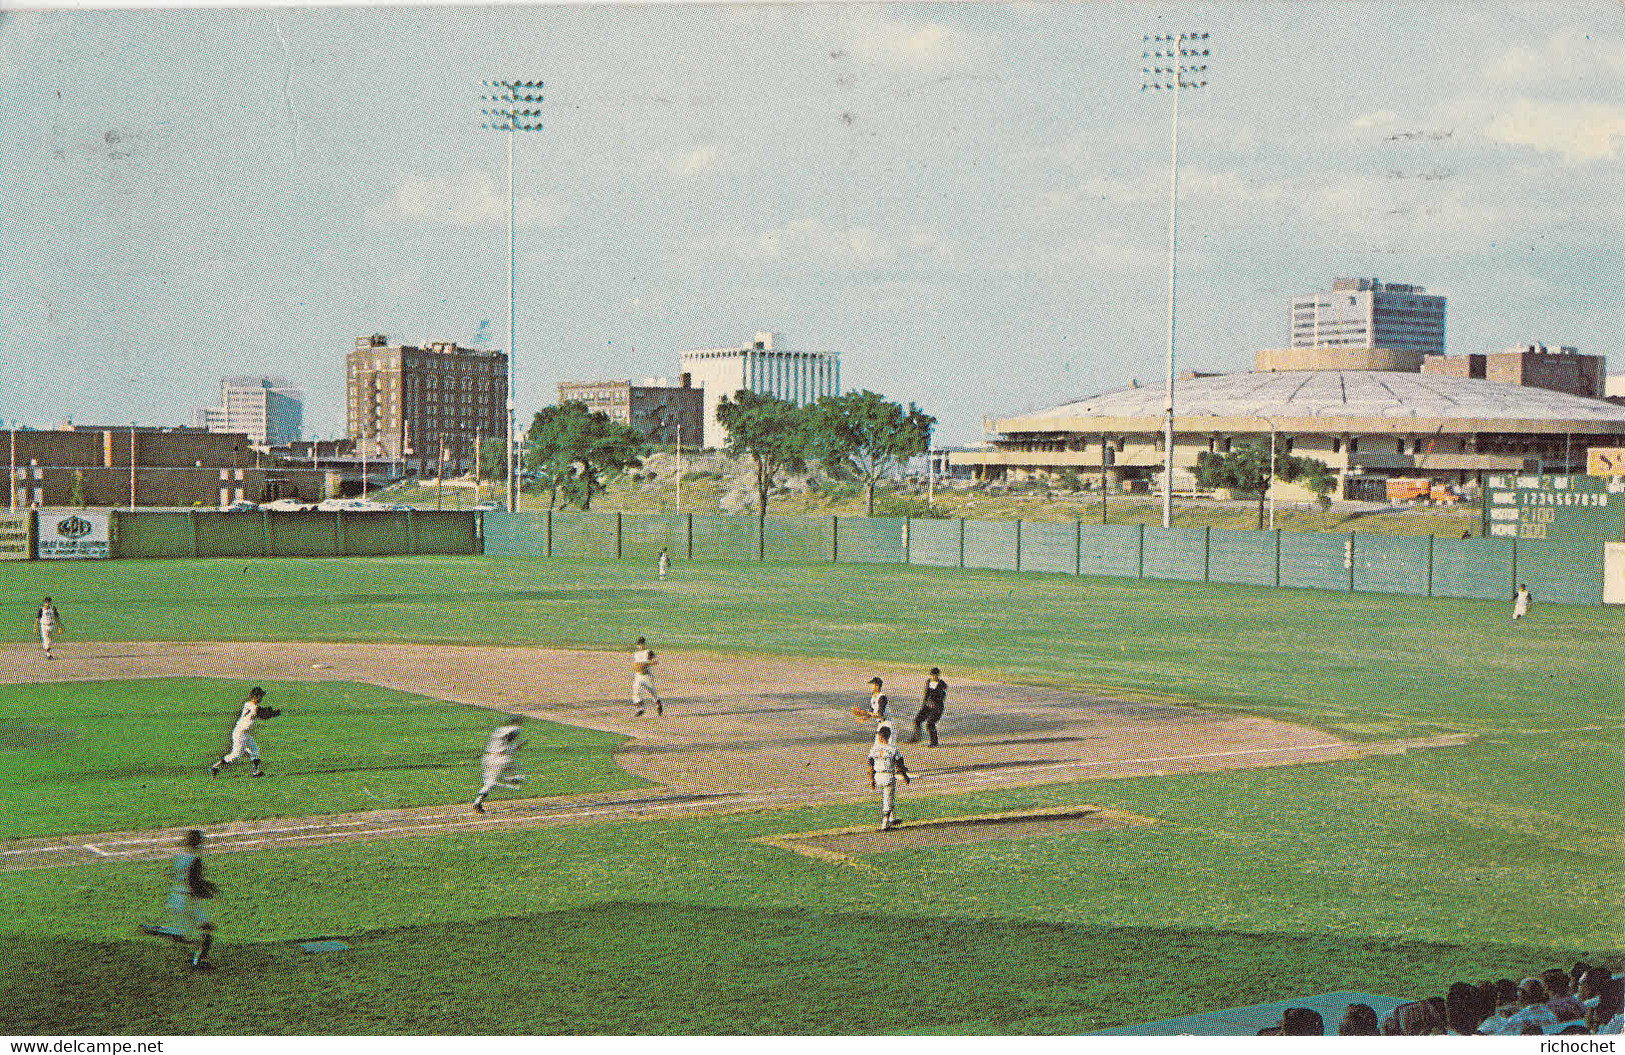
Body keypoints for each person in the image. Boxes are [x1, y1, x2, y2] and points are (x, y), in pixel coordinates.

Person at [140, 829, 218, 970]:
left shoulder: (180, 857)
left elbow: (185, 877)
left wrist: (207, 885)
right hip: (188, 900)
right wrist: (206, 892)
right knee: (200, 932)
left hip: (177, 896)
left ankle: (199, 959)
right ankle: (198, 960)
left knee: (197, 932)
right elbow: (194, 882)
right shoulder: (195, 859)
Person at [209, 687, 280, 778]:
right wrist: (272, 714)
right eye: (260, 696)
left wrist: (268, 713)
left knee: (255, 750)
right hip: (240, 734)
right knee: (235, 755)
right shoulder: (254, 707)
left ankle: (256, 772)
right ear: (256, 696)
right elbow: (260, 714)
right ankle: (215, 767)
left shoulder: (248, 704)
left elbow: (258, 712)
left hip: (245, 734)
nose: (261, 698)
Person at [472, 720, 524, 813]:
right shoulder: (513, 729)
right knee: (496, 781)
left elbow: (507, 742)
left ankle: (478, 802)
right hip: (501, 759)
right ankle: (510, 781)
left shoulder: (498, 730)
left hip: (488, 758)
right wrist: (517, 745)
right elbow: (509, 739)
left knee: (489, 783)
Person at [866, 724, 910, 830]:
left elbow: (870, 766)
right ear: (889, 736)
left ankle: (891, 819)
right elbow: (900, 766)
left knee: (888, 798)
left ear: (880, 736)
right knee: (888, 798)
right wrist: (905, 776)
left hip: (877, 775)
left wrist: (872, 780)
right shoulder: (893, 749)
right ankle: (885, 823)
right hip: (888, 776)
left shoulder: (873, 749)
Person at [911, 668, 947, 746]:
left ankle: (934, 742)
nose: (934, 677)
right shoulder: (928, 682)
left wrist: (934, 702)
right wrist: (926, 703)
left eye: (935, 675)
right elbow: (926, 695)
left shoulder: (942, 684)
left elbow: (942, 697)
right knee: (918, 720)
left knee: (930, 723)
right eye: (932, 675)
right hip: (927, 706)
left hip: (937, 708)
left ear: (938, 675)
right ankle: (916, 737)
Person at [632, 636, 662, 716]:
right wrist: (636, 667)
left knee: (652, 692)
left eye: (641, 644)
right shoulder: (636, 654)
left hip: (647, 675)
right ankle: (640, 709)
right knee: (636, 693)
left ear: (644, 644)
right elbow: (635, 664)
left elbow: (656, 661)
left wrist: (646, 663)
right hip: (638, 675)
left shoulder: (648, 652)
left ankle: (658, 704)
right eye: (639, 644)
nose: (640, 646)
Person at [35, 596, 65, 660]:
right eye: (46, 602)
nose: (47, 603)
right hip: (44, 626)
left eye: (48, 602)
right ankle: (48, 654)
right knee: (46, 640)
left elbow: (56, 618)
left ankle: (47, 651)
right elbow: (37, 619)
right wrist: (36, 627)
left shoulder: (53, 609)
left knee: (50, 640)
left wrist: (60, 627)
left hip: (51, 625)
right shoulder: (41, 610)